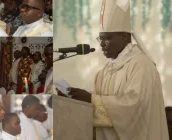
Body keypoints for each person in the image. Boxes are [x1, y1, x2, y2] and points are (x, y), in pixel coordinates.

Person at [60, 1, 169, 140]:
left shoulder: (141, 65)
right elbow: (97, 98)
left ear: (124, 37)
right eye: (101, 38)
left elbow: (135, 108)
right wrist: (74, 98)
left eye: (108, 38)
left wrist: (91, 99)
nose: (101, 44)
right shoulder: (105, 71)